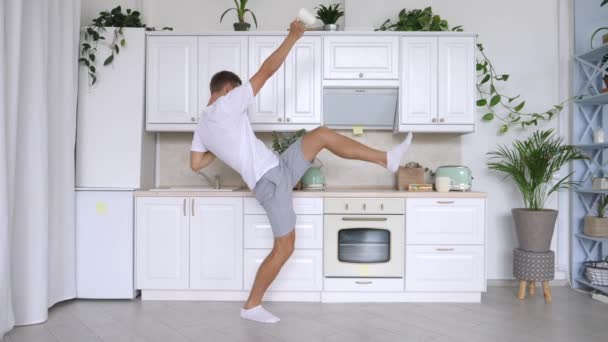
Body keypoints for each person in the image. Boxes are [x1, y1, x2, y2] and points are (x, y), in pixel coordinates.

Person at [190, 20, 413, 324]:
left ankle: (386, 159)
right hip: (269, 180)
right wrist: (293, 36)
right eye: (236, 90)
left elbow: (196, 163)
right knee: (285, 247)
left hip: (277, 167)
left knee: (320, 135)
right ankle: (252, 305)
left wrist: (223, 145)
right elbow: (267, 71)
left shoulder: (203, 125)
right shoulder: (228, 104)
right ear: (229, 88)